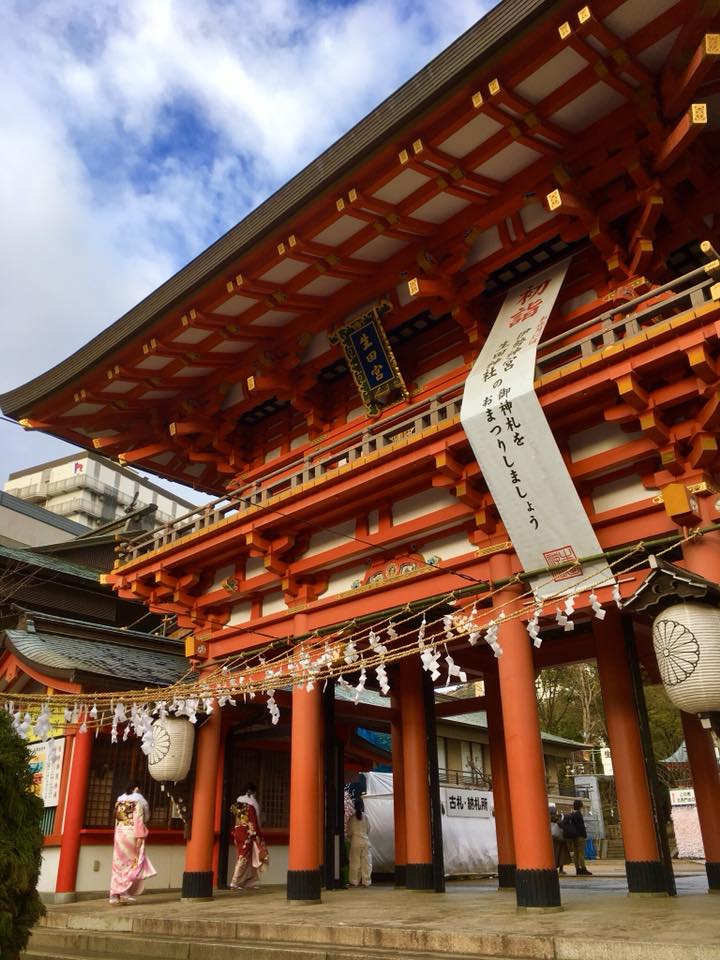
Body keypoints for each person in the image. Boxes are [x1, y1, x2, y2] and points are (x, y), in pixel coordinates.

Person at [109, 783, 156, 905]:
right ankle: (123, 890)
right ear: (136, 788)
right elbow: (140, 819)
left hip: (120, 834)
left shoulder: (119, 802)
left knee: (118, 864)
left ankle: (116, 894)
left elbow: (116, 818)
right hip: (132, 834)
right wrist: (140, 836)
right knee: (132, 863)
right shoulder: (138, 801)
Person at [229, 783, 268, 890]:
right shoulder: (250, 806)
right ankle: (235, 881)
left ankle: (249, 880)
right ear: (252, 792)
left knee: (248, 857)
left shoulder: (237, 806)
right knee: (244, 857)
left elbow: (239, 822)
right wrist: (257, 834)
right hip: (247, 834)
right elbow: (253, 822)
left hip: (238, 832)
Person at [563, 798, 592, 876]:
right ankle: (583, 868)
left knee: (576, 853)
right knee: (581, 853)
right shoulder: (578, 814)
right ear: (580, 806)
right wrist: (584, 834)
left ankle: (577, 868)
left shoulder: (571, 814)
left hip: (573, 836)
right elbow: (581, 827)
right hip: (580, 836)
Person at [347, 797, 372, 888]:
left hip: (355, 843)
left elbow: (349, 832)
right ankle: (366, 882)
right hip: (365, 842)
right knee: (366, 863)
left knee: (355, 863)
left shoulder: (352, 819)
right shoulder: (366, 817)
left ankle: (354, 882)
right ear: (362, 806)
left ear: (354, 807)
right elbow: (369, 829)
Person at [549, 803, 570, 875]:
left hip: (551, 839)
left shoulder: (546, 818)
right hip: (560, 839)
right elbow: (562, 826)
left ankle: (552, 868)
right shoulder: (558, 818)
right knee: (561, 855)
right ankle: (561, 869)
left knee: (553, 854)